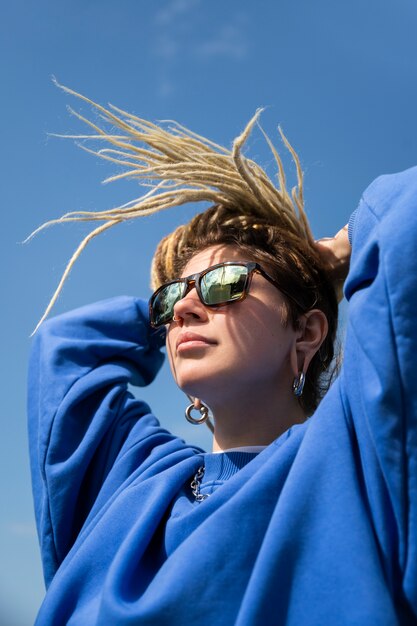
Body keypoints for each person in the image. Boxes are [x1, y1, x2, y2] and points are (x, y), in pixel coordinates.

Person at [28, 86, 417, 625]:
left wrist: (334, 253)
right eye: (171, 298)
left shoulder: (359, 456)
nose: (184, 307)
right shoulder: (129, 482)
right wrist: (174, 301)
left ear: (306, 333)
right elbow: (65, 354)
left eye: (225, 283)